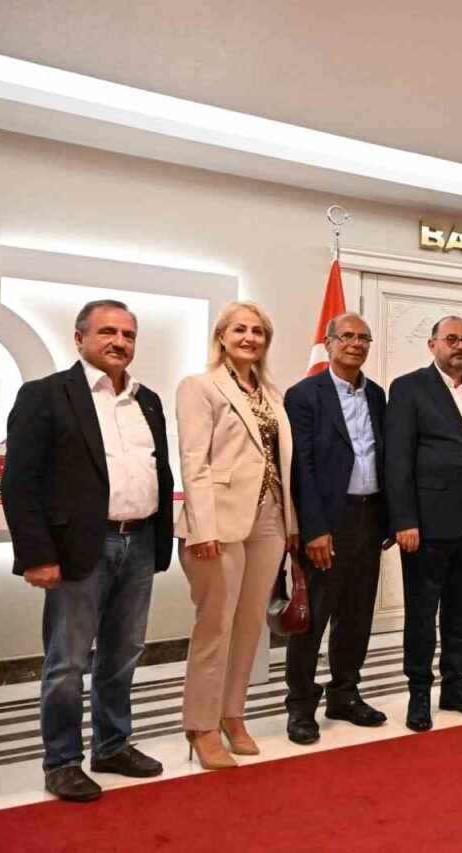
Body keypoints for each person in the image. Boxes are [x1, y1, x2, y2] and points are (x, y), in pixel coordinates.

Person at [0, 300, 174, 802]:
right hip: (80, 547)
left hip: (140, 541)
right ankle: (62, 761)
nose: (119, 342)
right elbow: (20, 482)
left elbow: (158, 471)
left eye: (128, 334)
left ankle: (112, 745)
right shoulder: (45, 395)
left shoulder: (148, 400)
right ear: (80, 339)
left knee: (122, 655)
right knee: (68, 661)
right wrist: (37, 554)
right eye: (107, 332)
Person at [176, 301, 298, 768]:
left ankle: (232, 715)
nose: (250, 338)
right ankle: (201, 726)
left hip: (269, 519)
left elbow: (281, 464)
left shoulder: (271, 393)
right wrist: (202, 526)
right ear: (222, 336)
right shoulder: (200, 386)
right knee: (215, 627)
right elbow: (194, 462)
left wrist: (291, 524)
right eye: (240, 330)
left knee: (249, 626)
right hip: (218, 521)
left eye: (258, 331)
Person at [386, 316, 462, 731]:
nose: (460, 346)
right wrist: (404, 519)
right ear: (433, 344)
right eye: (451, 339)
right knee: (423, 614)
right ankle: (419, 692)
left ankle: (454, 686)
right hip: (427, 525)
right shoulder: (409, 388)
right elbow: (398, 460)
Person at [283, 313, 388, 745]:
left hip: (370, 514)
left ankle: (345, 694)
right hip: (329, 519)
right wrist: (314, 528)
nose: (356, 344)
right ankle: (300, 705)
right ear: (328, 343)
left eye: (363, 337)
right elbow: (301, 467)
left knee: (358, 613)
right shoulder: (304, 395)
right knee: (314, 617)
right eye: (346, 336)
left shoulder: (377, 395)